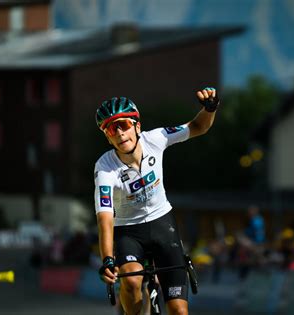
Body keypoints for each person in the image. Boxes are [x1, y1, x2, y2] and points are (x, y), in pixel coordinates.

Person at [94, 87, 219, 315]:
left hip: (162, 223)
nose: (120, 133)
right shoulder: (105, 168)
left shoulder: (157, 139)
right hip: (128, 231)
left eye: (124, 125)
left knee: (179, 311)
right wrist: (108, 260)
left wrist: (209, 108)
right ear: (108, 137)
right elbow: (105, 218)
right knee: (131, 283)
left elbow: (198, 126)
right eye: (112, 129)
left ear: (137, 126)